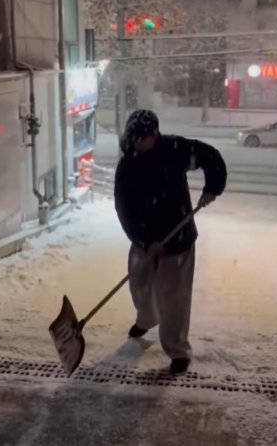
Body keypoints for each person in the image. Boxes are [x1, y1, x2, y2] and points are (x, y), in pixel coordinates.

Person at [114, 109, 227, 375]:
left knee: (173, 298)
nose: (138, 144)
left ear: (155, 135)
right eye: (135, 139)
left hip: (177, 238)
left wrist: (213, 186)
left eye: (143, 139)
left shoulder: (174, 149)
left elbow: (212, 157)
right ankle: (147, 318)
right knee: (139, 287)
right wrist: (143, 240)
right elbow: (123, 207)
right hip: (143, 239)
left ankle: (177, 349)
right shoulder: (128, 164)